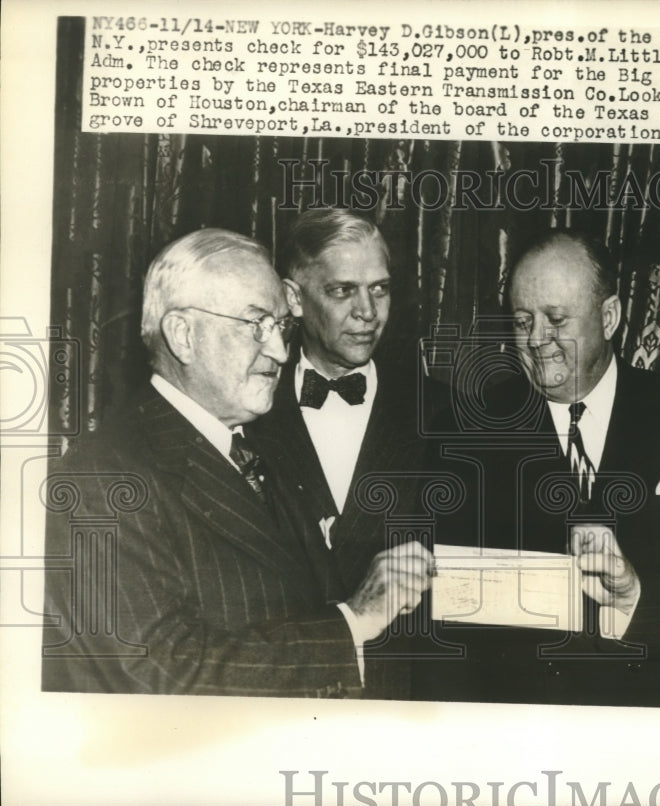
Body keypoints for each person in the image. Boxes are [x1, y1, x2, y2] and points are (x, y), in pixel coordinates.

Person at [42, 228, 433, 697]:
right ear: (183, 335)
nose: (280, 351)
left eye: (280, 327)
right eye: (256, 325)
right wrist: (352, 623)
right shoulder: (102, 478)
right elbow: (162, 673)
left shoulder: (253, 449)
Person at [417, 230, 660, 706]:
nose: (535, 340)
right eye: (522, 320)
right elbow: (443, 623)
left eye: (555, 319)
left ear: (609, 316)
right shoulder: (462, 433)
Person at [248, 210, 448, 699]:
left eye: (379, 288)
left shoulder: (447, 414)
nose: (368, 311)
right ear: (293, 298)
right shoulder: (247, 414)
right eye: (343, 291)